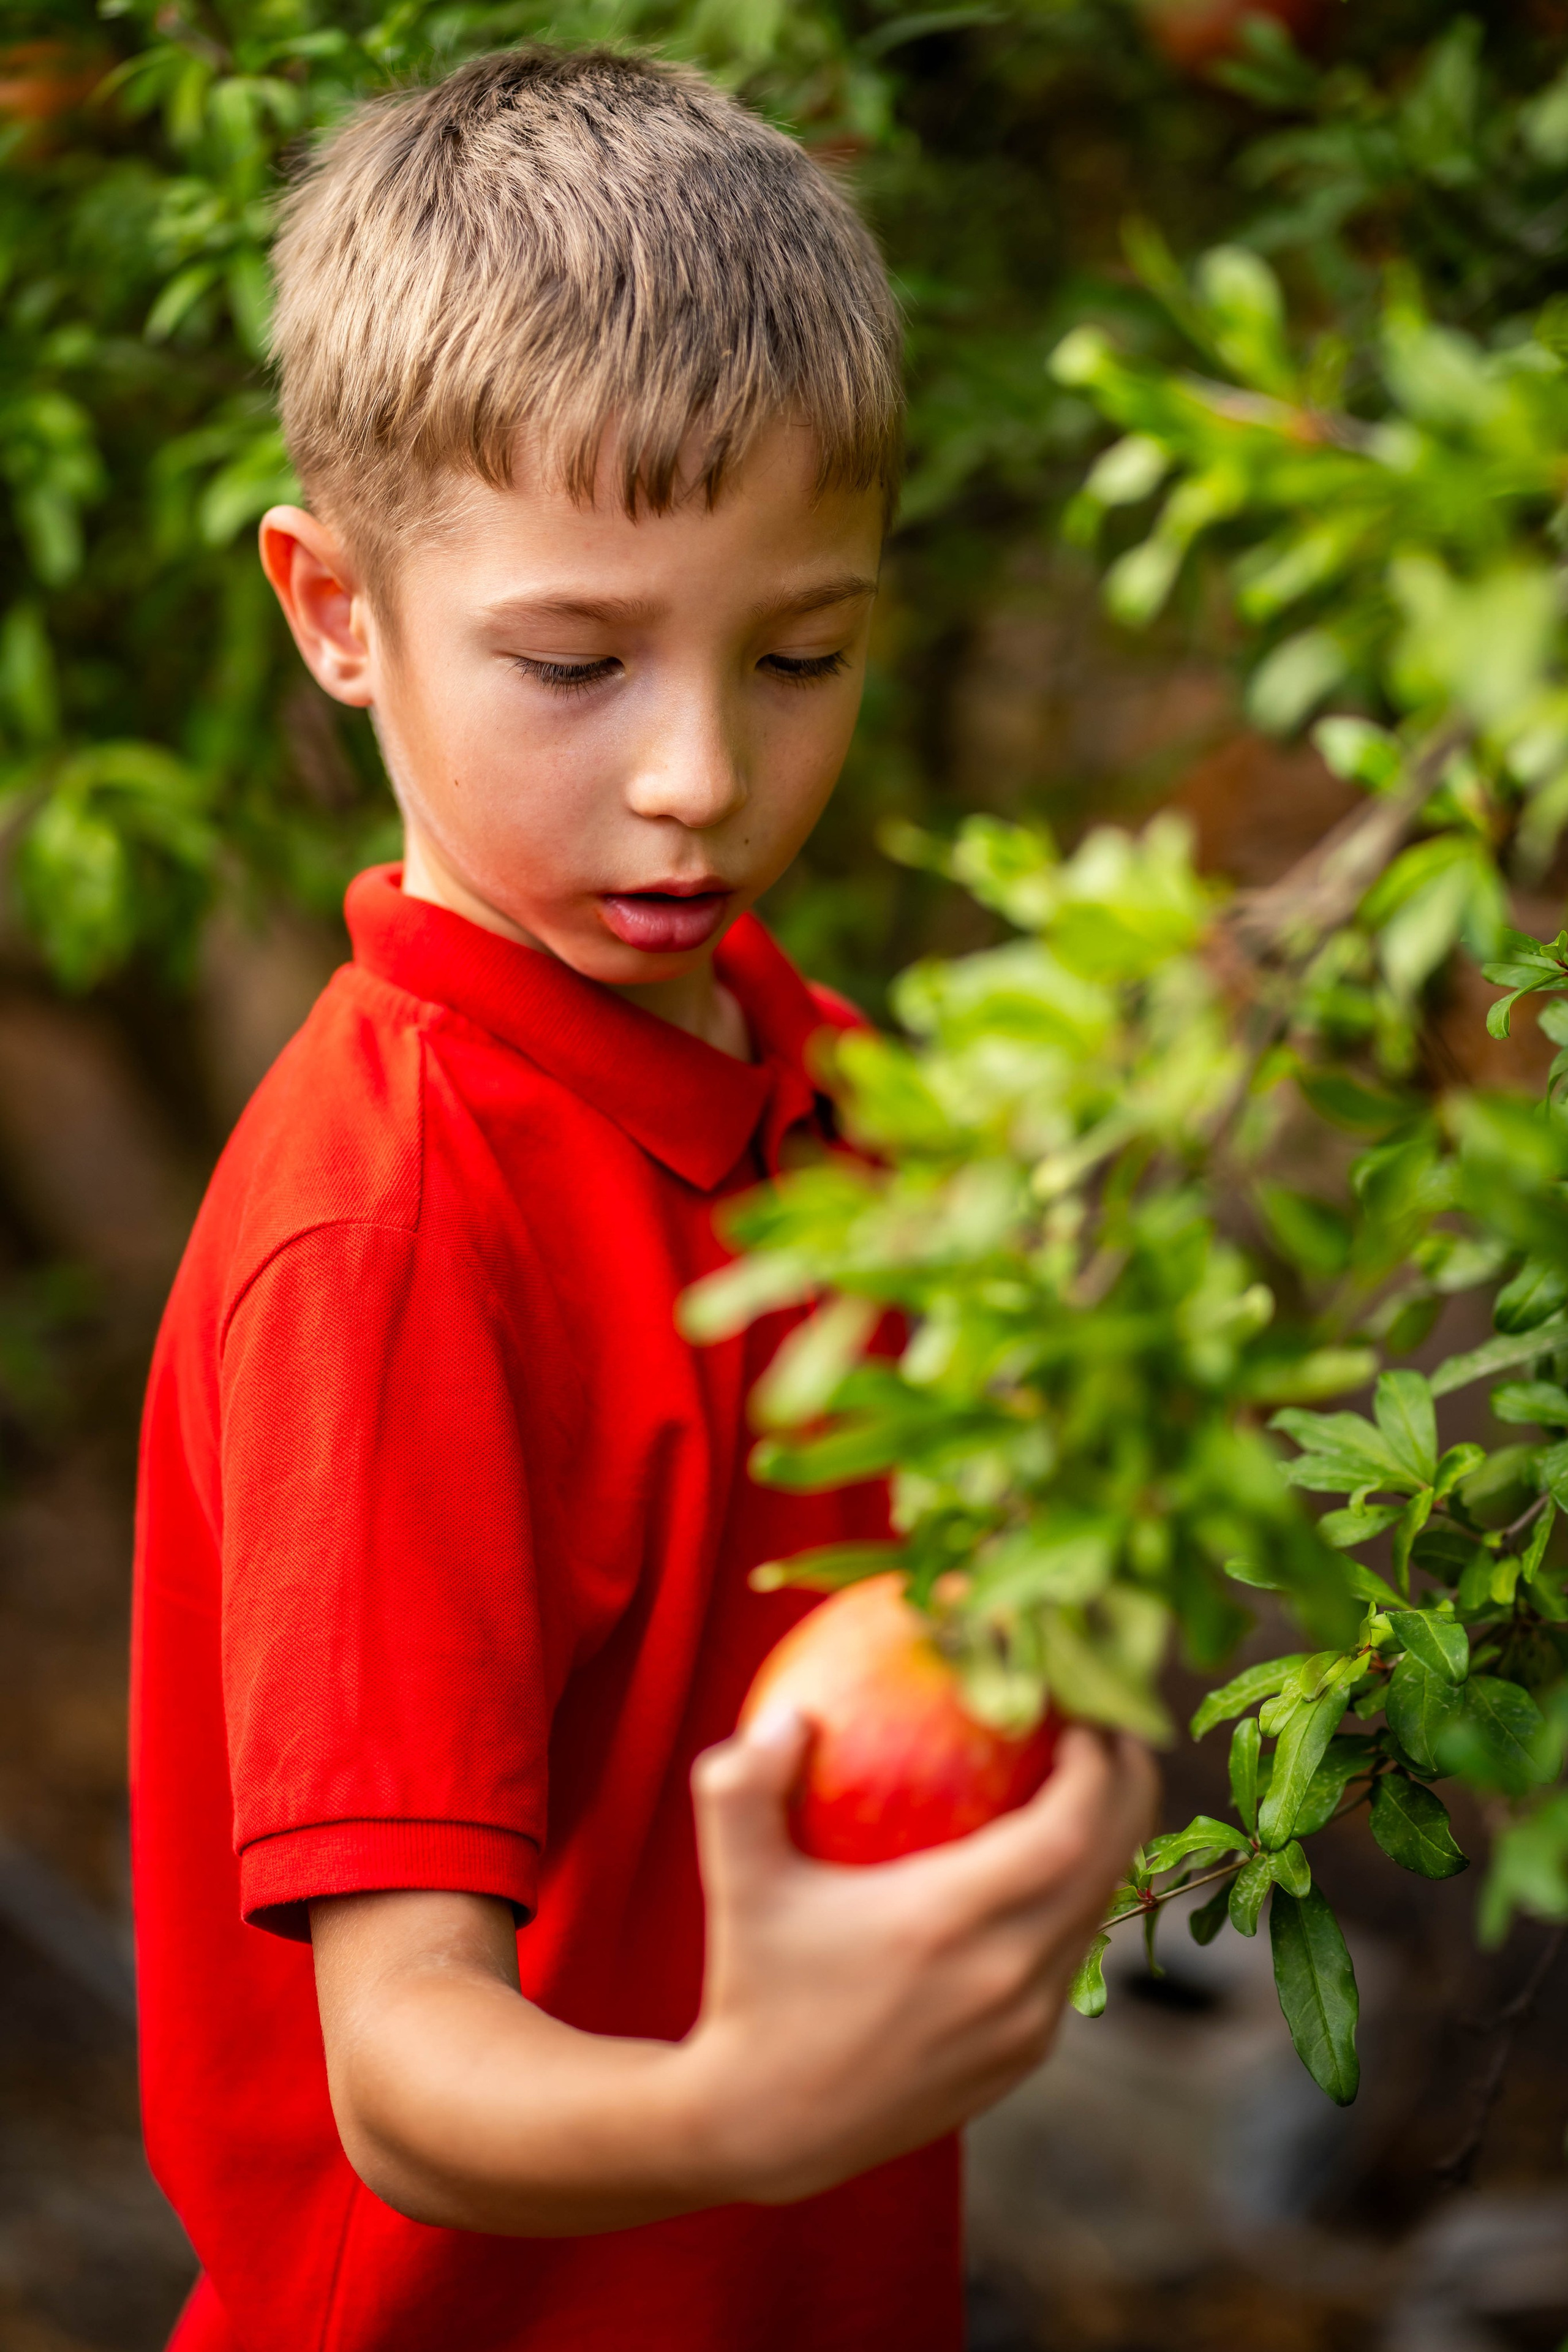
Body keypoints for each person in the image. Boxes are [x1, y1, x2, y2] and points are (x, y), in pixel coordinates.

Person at [130, 47, 1155, 2352]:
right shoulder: (386, 1236)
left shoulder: (849, 1099)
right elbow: (404, 2071)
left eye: (803, 655)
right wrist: (754, 2109)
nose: (701, 773)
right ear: (337, 609)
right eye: (575, 664)